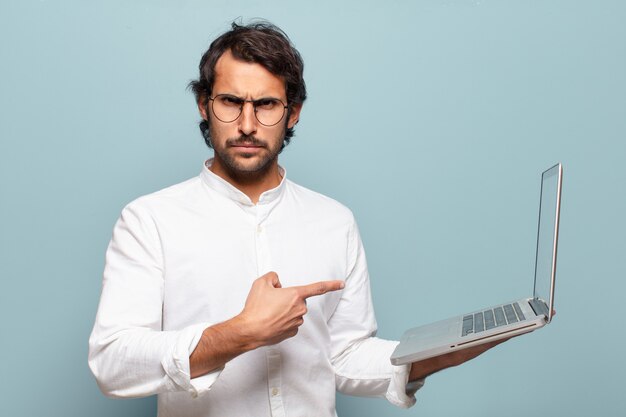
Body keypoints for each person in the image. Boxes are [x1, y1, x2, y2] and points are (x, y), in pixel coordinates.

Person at [88, 21, 505, 417]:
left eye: (267, 104)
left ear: (294, 112)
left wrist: (434, 356)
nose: (247, 124)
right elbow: (112, 362)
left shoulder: (335, 221)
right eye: (231, 102)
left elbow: (344, 355)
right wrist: (241, 332)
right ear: (204, 105)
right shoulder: (149, 220)